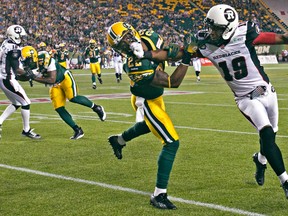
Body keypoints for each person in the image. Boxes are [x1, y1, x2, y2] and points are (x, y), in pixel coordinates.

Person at [138, 4, 288, 199]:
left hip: (267, 91)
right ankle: (285, 181)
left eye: (216, 28)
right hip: (245, 98)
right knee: (266, 133)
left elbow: (281, 38)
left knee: (271, 138)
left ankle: (260, 161)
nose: (211, 31)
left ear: (228, 28)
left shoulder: (245, 34)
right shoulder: (205, 43)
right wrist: (145, 54)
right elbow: (174, 53)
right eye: (211, 26)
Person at [106, 22, 194, 210]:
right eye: (121, 45)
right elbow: (173, 82)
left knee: (148, 125)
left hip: (155, 97)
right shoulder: (134, 65)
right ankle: (159, 194)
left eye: (127, 39)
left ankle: (119, 140)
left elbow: (168, 52)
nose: (126, 45)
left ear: (133, 32)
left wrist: (185, 51)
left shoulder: (149, 37)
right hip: (145, 100)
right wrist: (187, 57)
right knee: (171, 142)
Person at [20, 46, 106, 140]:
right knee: (59, 108)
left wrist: (33, 77)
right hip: (54, 85)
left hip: (64, 78)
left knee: (73, 98)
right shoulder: (29, 64)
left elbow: (51, 79)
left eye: (26, 59)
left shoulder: (45, 57)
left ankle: (96, 108)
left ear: (33, 57)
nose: (24, 61)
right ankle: (77, 130)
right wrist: (16, 77)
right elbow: (26, 76)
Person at [0, 25, 41, 139]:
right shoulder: (14, 49)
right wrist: (31, 74)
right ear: (15, 36)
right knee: (26, 103)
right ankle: (26, 130)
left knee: (17, 103)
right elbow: (17, 69)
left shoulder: (5, 43)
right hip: (8, 79)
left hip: (3, 77)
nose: (21, 38)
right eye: (20, 36)